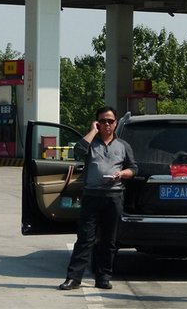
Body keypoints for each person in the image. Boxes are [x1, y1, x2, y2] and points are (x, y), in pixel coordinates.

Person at [57, 106, 137, 291]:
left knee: (109, 240)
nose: (106, 124)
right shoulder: (91, 143)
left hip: (114, 197)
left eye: (110, 121)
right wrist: (92, 131)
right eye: (102, 121)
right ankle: (73, 278)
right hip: (92, 196)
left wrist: (123, 173)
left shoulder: (123, 146)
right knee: (85, 238)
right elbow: (77, 151)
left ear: (116, 123)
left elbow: (134, 168)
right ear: (97, 123)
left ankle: (103, 278)